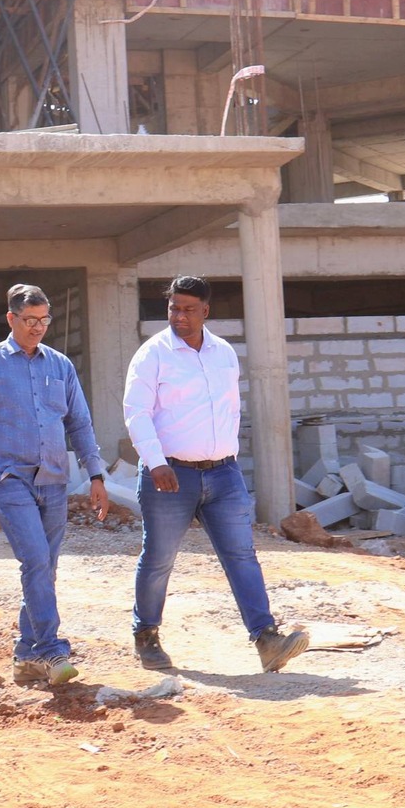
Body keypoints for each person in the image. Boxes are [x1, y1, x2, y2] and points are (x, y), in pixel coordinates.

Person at [123, 276, 310, 675]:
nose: (180, 316)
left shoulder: (223, 353)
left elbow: (228, 410)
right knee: (159, 558)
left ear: (206, 311)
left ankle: (266, 639)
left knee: (242, 555)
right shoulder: (152, 354)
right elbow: (136, 412)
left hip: (223, 474)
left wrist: (227, 456)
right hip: (169, 475)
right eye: (174, 308)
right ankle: (147, 636)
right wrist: (155, 461)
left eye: (189, 309)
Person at [0, 284, 109, 686]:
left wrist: (96, 474)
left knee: (45, 567)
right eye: (29, 320)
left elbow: (79, 423)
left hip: (53, 477)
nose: (37, 327)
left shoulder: (61, 366)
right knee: (35, 560)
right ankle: (52, 649)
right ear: (11, 319)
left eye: (43, 320)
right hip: (8, 478)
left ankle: (25, 654)